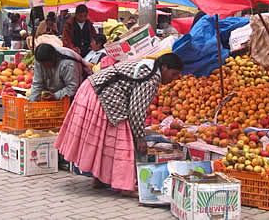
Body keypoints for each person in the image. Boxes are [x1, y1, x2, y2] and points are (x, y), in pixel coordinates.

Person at [55, 53, 183, 195]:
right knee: (123, 143)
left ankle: (100, 179)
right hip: (102, 95)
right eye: (173, 74)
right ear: (164, 68)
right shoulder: (152, 78)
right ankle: (124, 186)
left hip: (91, 89)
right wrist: (139, 138)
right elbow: (136, 110)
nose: (173, 79)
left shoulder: (148, 66)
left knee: (105, 141)